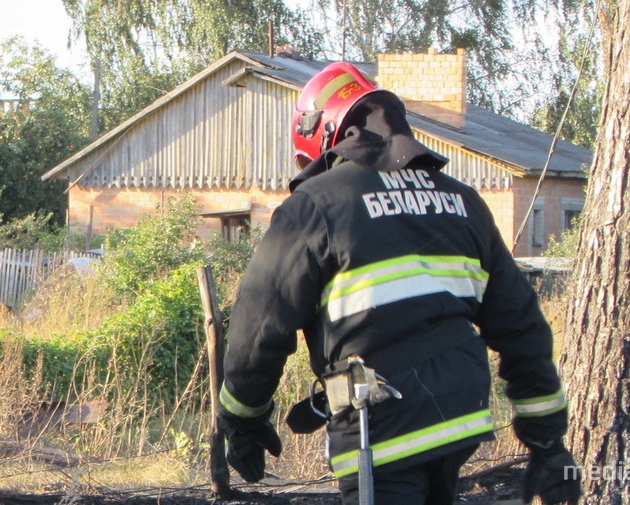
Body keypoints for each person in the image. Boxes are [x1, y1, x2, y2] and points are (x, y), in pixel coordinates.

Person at [216, 61, 581, 505]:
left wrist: (243, 419)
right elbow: (522, 327)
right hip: (458, 419)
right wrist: (548, 444)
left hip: (378, 425)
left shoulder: (316, 205)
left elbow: (257, 329)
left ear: (324, 138)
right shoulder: (461, 200)